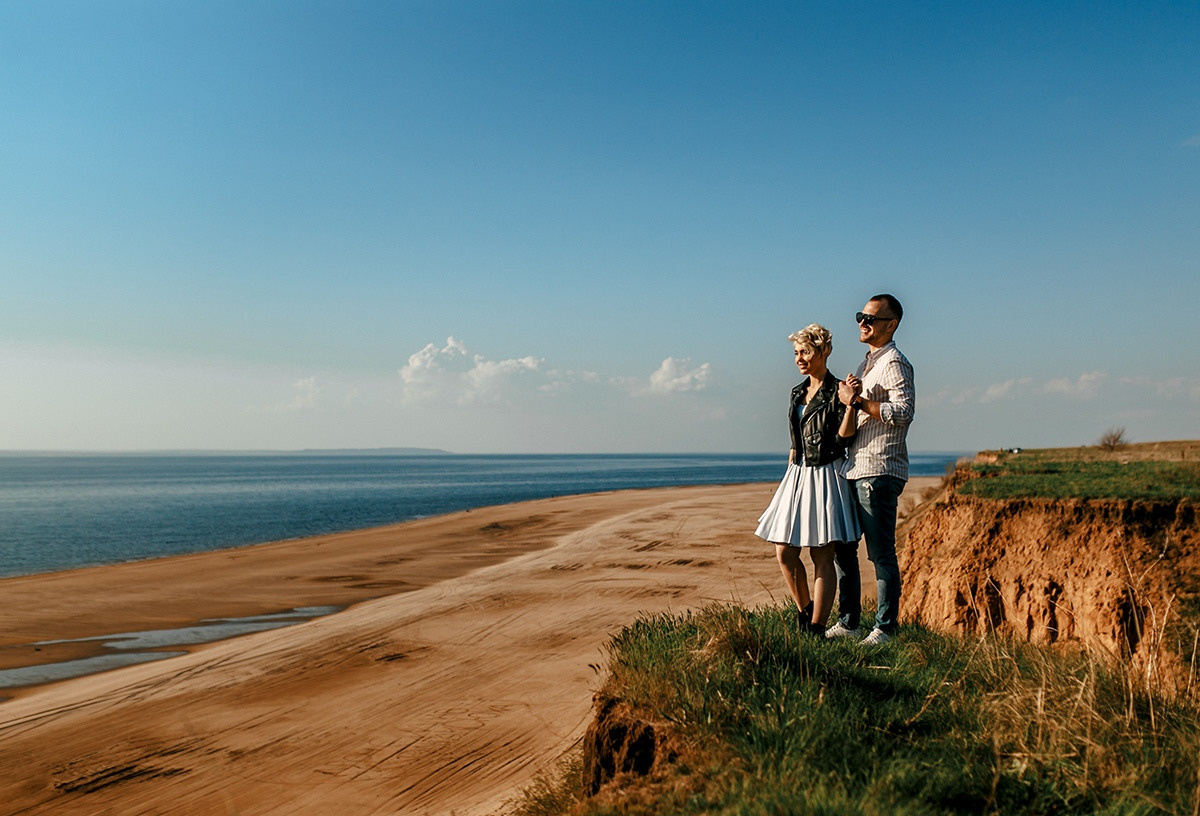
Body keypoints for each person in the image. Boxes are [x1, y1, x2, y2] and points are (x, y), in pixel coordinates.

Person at [754, 324, 861, 637]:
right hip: (798, 471)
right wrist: (792, 451)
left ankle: (816, 628)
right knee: (784, 549)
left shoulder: (838, 389)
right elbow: (799, 432)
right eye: (796, 353)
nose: (799, 358)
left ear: (823, 352)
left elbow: (844, 438)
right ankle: (804, 611)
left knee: (821, 553)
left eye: (805, 352)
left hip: (826, 472)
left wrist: (851, 403)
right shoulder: (797, 391)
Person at [828, 294, 915, 646]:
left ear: (891, 325)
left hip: (879, 469)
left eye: (871, 318)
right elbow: (857, 420)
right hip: (854, 468)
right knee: (844, 548)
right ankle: (848, 623)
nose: (863, 323)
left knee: (880, 554)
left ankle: (885, 629)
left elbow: (904, 411)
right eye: (860, 316)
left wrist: (859, 400)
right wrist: (853, 398)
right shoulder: (867, 365)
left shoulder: (894, 362)